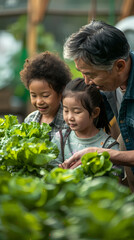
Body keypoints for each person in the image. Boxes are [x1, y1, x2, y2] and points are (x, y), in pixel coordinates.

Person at [61, 19, 134, 170]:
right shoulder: (109, 81)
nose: (87, 82)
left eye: (91, 75)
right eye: (81, 73)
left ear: (119, 66)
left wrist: (102, 153)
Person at [50, 78, 120, 170]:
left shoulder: (109, 146)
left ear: (95, 112)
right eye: (66, 110)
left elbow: (114, 179)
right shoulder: (60, 138)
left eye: (77, 112)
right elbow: (51, 170)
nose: (70, 117)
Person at [20, 51, 72, 140]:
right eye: (34, 95)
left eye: (45, 96)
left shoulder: (69, 122)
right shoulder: (30, 120)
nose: (39, 101)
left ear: (61, 92)